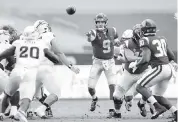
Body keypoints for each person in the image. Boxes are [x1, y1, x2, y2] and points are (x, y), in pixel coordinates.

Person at [129, 19, 177, 121]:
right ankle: (176, 112)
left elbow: (146, 59)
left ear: (143, 30)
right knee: (157, 95)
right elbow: (172, 56)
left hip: (160, 68)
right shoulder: (162, 38)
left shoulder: (145, 40)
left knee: (139, 86)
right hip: (169, 69)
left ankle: (157, 107)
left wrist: (136, 63)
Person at [86, 13, 119, 111]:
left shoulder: (113, 30)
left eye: (102, 22)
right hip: (97, 62)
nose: (100, 24)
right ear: (96, 23)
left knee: (112, 85)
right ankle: (94, 98)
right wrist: (89, 36)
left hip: (110, 62)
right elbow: (89, 38)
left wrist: (117, 52)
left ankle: (112, 109)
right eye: (98, 22)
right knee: (90, 87)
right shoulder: (93, 32)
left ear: (106, 23)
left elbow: (116, 43)